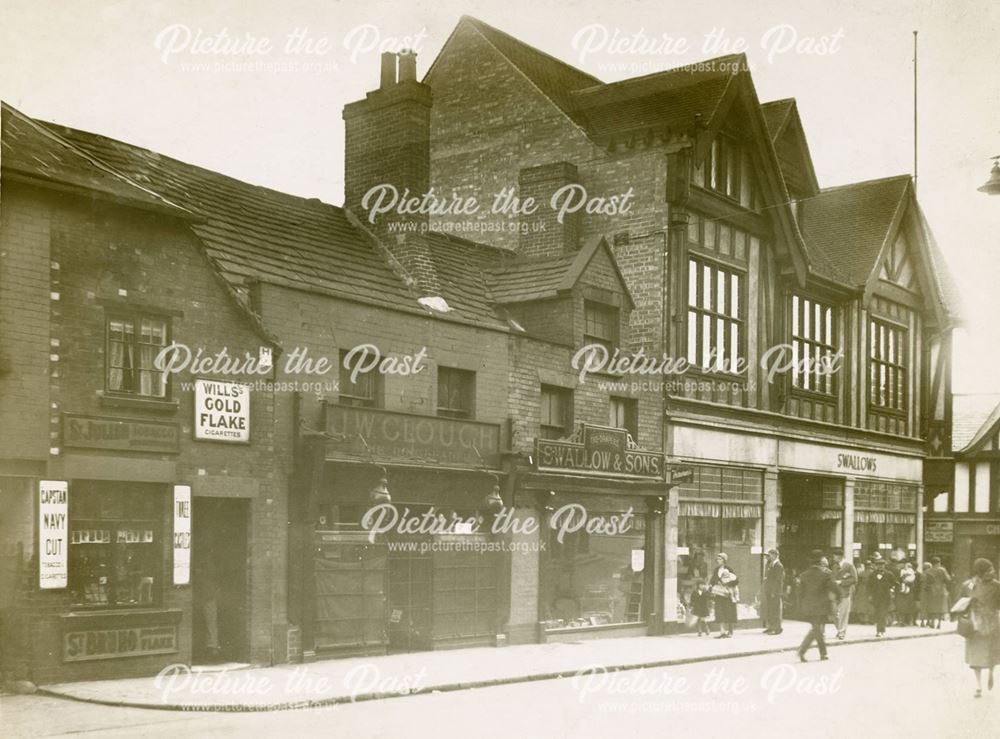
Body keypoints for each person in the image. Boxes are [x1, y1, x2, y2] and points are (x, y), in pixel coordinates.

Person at [958, 558, 1000, 698]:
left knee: (992, 653)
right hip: (974, 625)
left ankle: (991, 672)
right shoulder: (968, 585)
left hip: (993, 624)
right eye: (989, 570)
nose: (993, 572)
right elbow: (960, 603)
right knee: (976, 656)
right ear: (981, 572)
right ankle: (978, 685)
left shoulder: (997, 586)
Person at [797, 549, 840, 662]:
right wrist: (838, 597)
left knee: (816, 629)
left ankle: (816, 653)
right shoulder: (826, 574)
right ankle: (805, 651)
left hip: (808, 607)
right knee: (817, 630)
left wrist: (801, 606)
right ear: (821, 561)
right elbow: (834, 587)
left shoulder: (804, 575)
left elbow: (800, 593)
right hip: (822, 607)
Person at [710, 553, 739, 639]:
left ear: (724, 560)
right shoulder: (716, 570)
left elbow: (736, 580)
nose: (718, 561)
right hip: (719, 594)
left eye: (720, 559)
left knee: (729, 611)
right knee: (720, 612)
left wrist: (727, 583)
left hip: (727, 594)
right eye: (717, 559)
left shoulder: (729, 569)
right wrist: (715, 582)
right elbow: (713, 580)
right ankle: (722, 631)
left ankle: (730, 631)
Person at [868, 552, 897, 637]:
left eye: (882, 565)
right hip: (876, 597)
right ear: (876, 566)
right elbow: (869, 586)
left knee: (882, 613)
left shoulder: (889, 574)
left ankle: (880, 630)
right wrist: (870, 595)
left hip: (885, 597)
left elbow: (895, 583)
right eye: (878, 565)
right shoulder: (872, 575)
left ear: (884, 565)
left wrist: (892, 589)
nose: (880, 567)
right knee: (877, 613)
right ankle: (880, 629)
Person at [832, 549, 858, 640]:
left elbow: (854, 579)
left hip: (845, 593)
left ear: (840, 556)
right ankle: (839, 629)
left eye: (835, 556)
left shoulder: (849, 566)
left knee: (843, 613)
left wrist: (842, 582)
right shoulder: (834, 567)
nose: (833, 558)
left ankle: (841, 632)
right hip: (835, 593)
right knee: (834, 613)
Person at [924, 556, 952, 629]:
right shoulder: (942, 570)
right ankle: (939, 623)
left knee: (932, 606)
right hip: (941, 590)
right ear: (938, 563)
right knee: (940, 607)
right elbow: (948, 579)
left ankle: (932, 622)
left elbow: (926, 581)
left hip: (931, 591)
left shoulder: (928, 571)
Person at [762, 548, 784, 635]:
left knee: (775, 610)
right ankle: (771, 627)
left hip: (774, 592)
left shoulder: (778, 565)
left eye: (769, 555)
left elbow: (778, 580)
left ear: (774, 555)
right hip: (770, 591)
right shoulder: (771, 565)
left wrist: (773, 592)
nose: (768, 557)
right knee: (770, 609)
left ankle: (777, 628)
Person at [896, 561, 918, 626]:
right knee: (904, 606)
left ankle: (908, 621)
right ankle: (903, 621)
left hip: (909, 591)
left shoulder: (912, 573)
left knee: (909, 606)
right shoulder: (901, 571)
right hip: (904, 592)